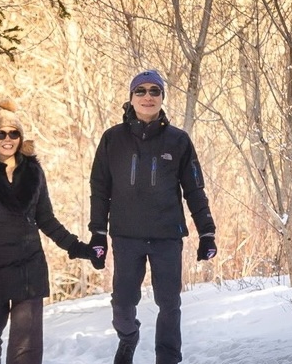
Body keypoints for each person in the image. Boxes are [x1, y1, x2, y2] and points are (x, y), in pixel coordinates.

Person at [0, 100, 95, 364]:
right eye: (0, 134)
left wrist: (77, 247)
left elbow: (46, 219)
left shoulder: (34, 172)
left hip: (29, 267)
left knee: (25, 352)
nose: (7, 139)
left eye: (13, 133)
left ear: (21, 137)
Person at [87, 70, 217, 364]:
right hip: (126, 235)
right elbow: (99, 189)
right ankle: (128, 336)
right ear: (131, 98)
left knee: (169, 303)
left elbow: (194, 190)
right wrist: (97, 232)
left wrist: (206, 231)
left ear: (162, 98)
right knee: (122, 304)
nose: (148, 97)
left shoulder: (178, 141)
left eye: (154, 91)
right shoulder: (112, 139)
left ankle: (168, 359)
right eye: (141, 91)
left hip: (167, 236)